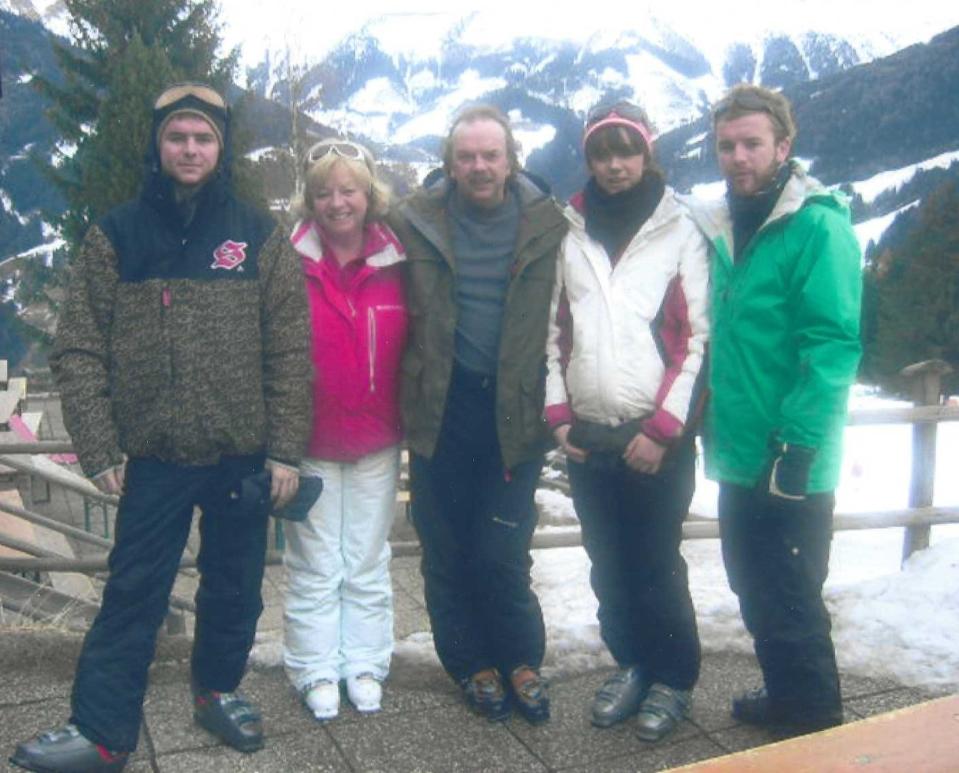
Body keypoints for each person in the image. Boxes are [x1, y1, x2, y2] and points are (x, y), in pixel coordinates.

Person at [10, 83, 311, 773]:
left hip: (241, 451)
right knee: (132, 592)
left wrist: (286, 448)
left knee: (234, 586)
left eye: (203, 137)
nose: (189, 148)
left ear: (221, 146)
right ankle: (103, 731)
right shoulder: (117, 235)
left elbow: (289, 349)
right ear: (158, 144)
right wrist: (98, 443)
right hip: (153, 454)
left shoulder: (256, 234)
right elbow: (78, 345)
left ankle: (217, 690)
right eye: (177, 136)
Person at [388, 105, 566, 724]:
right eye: (467, 156)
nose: (479, 167)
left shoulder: (551, 223)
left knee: (502, 548)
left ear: (511, 158)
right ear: (450, 163)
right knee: (445, 546)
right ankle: (469, 662)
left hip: (515, 410)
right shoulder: (413, 222)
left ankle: (521, 657)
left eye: (491, 155)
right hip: (441, 403)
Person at [696, 84, 862, 737]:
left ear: (782, 146)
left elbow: (830, 343)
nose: (738, 157)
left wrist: (797, 446)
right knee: (753, 585)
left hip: (790, 454)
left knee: (790, 595)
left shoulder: (815, 226)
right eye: (726, 145)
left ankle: (815, 720)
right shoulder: (725, 223)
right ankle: (786, 692)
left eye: (751, 143)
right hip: (738, 448)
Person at [544, 101, 708, 740]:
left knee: (656, 562)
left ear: (647, 154)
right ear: (588, 159)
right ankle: (633, 663)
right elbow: (553, 334)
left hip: (654, 435)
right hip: (589, 434)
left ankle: (674, 676)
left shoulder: (678, 230)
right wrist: (558, 415)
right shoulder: (570, 230)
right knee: (607, 563)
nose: (615, 165)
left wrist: (662, 431)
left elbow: (698, 340)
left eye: (627, 151)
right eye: (602, 153)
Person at [283, 138, 407, 720]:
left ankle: (364, 661)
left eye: (349, 190)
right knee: (314, 563)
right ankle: (313, 667)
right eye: (325, 192)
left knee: (365, 558)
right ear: (310, 201)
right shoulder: (286, 264)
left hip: (377, 439)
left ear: (368, 195)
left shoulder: (398, 261)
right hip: (310, 440)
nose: (338, 203)